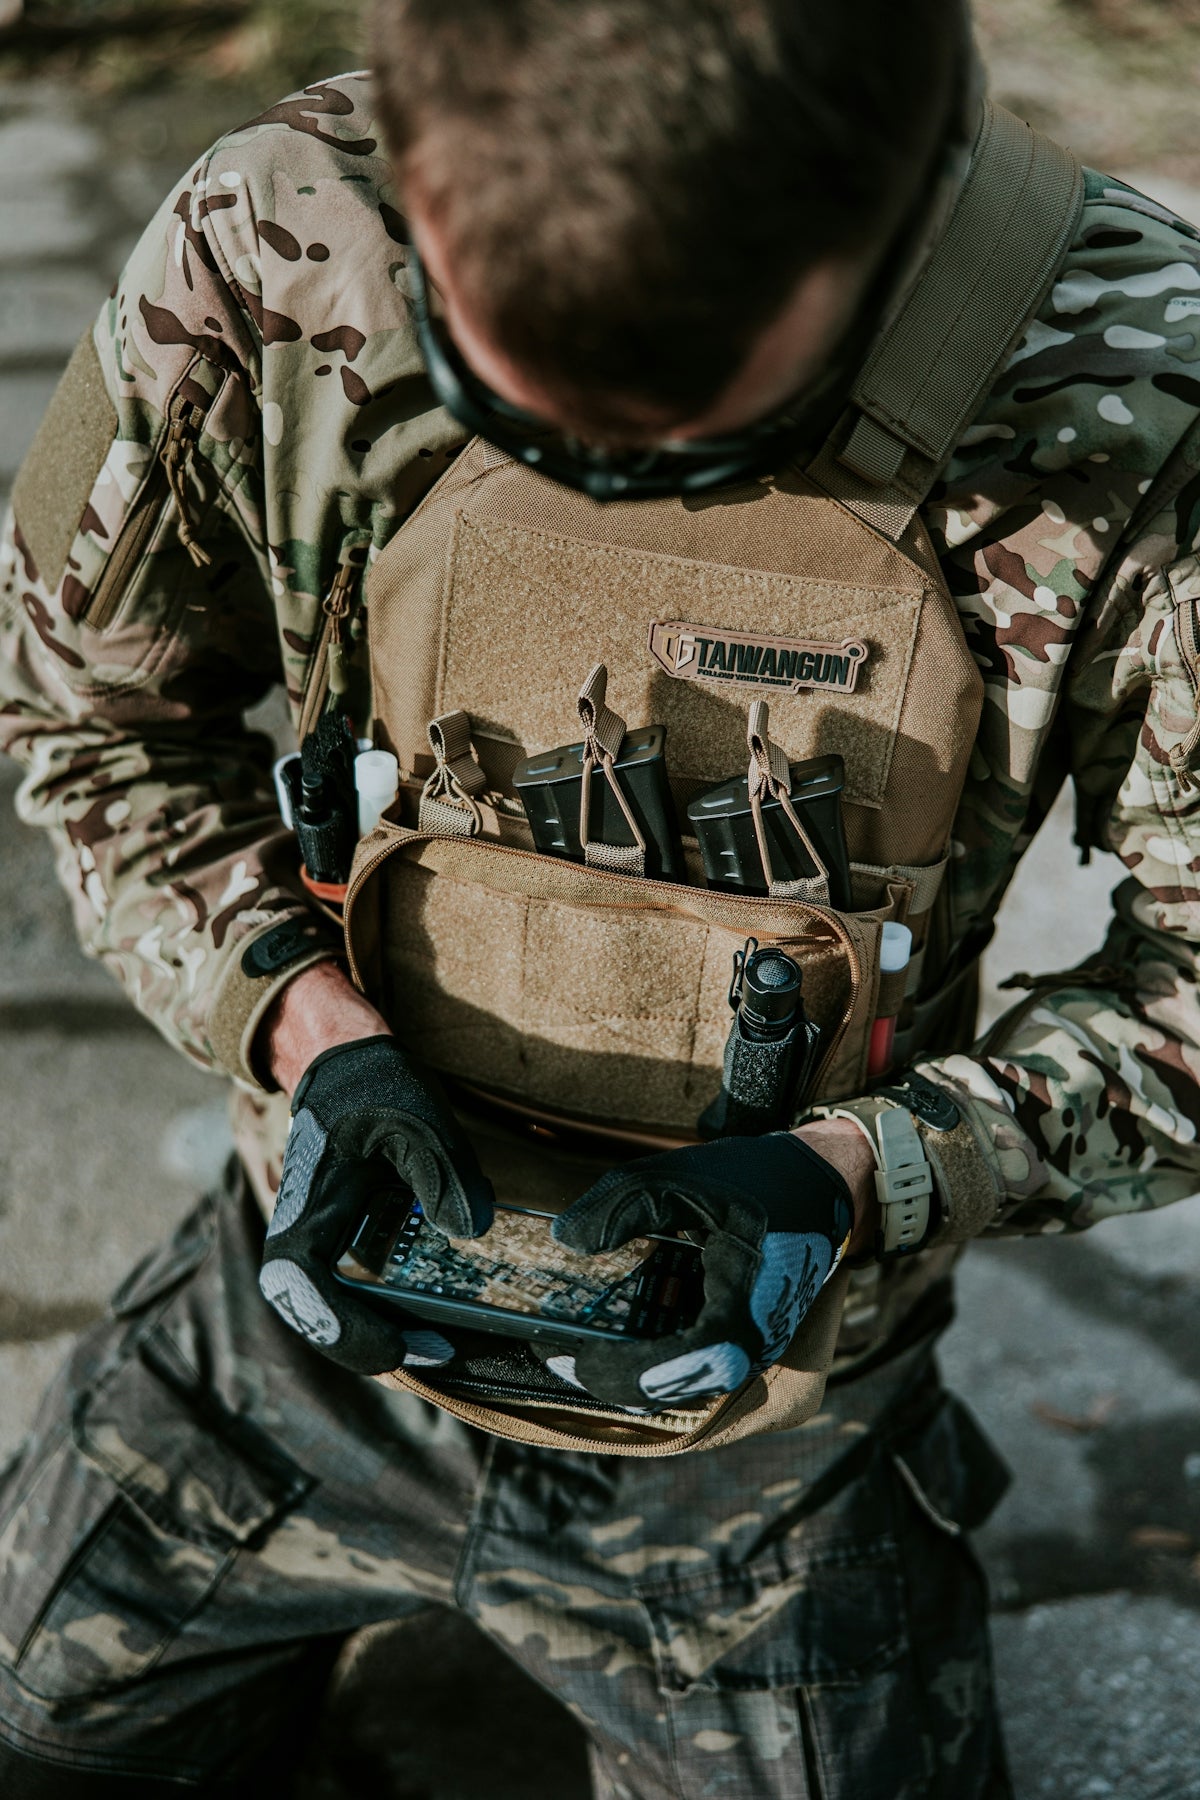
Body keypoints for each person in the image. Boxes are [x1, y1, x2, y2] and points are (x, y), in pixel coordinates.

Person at [1, 1, 1198, 1794]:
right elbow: (84, 714)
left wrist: (859, 1172)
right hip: (310, 1310)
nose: (599, 484)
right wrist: (304, 1027)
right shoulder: (277, 239)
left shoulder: (1132, 386)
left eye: (696, 448)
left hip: (773, 1425)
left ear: (885, 234)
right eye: (513, 408)